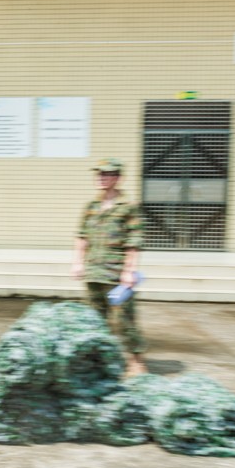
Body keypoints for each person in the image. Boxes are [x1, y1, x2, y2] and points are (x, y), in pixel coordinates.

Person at [72, 157, 147, 376]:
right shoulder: (91, 207)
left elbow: (134, 241)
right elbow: (82, 236)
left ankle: (136, 360)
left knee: (125, 320)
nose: (101, 178)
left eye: (106, 174)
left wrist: (129, 270)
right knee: (94, 320)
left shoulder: (128, 208)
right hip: (93, 271)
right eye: (99, 174)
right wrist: (77, 262)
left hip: (116, 273)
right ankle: (98, 360)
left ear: (118, 178)